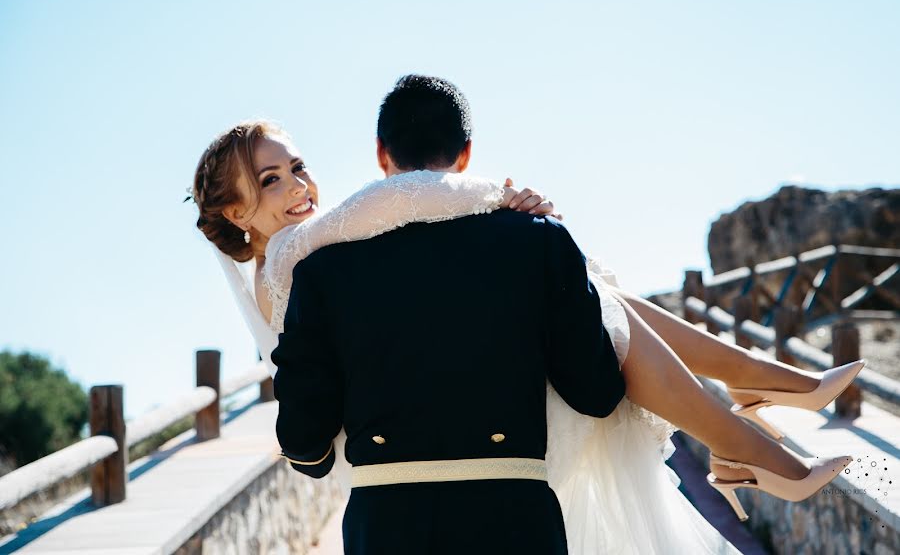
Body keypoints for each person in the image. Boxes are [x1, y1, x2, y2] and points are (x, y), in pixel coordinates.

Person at [191, 76, 859, 553]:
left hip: (394, 492)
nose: (298, 186)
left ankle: (749, 391)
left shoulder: (321, 257)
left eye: (297, 166)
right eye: (270, 180)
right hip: (488, 464)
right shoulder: (291, 261)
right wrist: (491, 194)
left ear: (380, 151)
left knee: (590, 287)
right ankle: (744, 419)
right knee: (580, 288)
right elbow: (384, 205)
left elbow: (387, 208)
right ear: (234, 214)